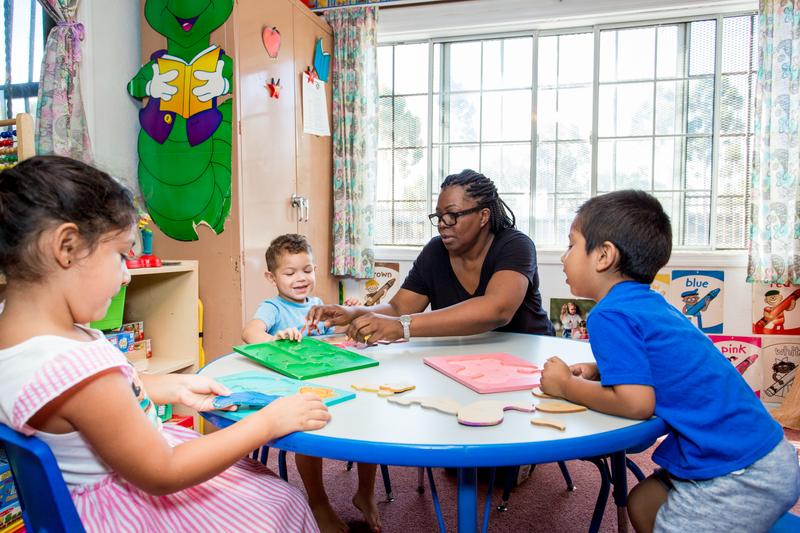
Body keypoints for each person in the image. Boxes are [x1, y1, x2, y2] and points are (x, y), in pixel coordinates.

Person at [0, 156, 331, 532]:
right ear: (67, 246)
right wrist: (268, 423)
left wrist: (172, 386)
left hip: (75, 502)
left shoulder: (19, 340)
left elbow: (99, 404)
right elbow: (164, 471)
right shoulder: (77, 368)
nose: (126, 276)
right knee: (280, 499)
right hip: (128, 509)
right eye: (121, 255)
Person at [539, 190, 800, 533]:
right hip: (766, 454)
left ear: (603, 255)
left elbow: (636, 404)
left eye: (571, 245)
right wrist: (598, 370)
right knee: (643, 501)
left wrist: (566, 386)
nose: (563, 257)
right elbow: (661, 358)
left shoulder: (609, 315)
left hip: (740, 472)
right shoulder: (647, 303)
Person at [306, 169, 554, 343]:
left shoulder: (515, 245)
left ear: (483, 216)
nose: (443, 224)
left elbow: (496, 310)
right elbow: (398, 307)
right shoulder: (436, 251)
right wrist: (353, 313)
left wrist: (402, 327)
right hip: (470, 358)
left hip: (528, 353)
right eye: (438, 216)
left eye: (452, 215)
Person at [242, 234, 381, 533]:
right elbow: (250, 333)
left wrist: (352, 310)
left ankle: (366, 493)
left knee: (367, 421)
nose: (300, 278)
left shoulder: (317, 304)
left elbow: (337, 332)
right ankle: (318, 502)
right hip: (297, 392)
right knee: (309, 431)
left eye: (307, 270)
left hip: (333, 382)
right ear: (271, 276)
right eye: (290, 273)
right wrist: (276, 340)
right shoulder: (273, 308)